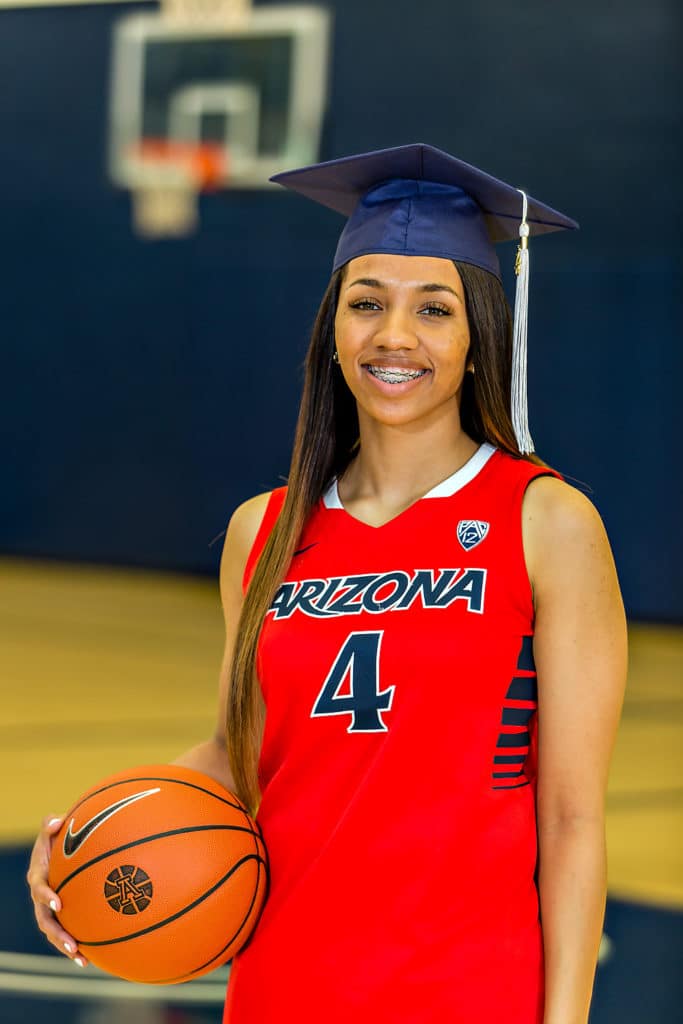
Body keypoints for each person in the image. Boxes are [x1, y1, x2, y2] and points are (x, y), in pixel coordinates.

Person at [28, 143, 627, 1023]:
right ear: (331, 330)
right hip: (285, 982)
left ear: (477, 336)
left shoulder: (544, 521)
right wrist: (88, 832)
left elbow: (572, 818)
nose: (394, 336)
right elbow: (246, 750)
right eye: (366, 303)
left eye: (434, 309)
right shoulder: (261, 530)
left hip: (465, 987)